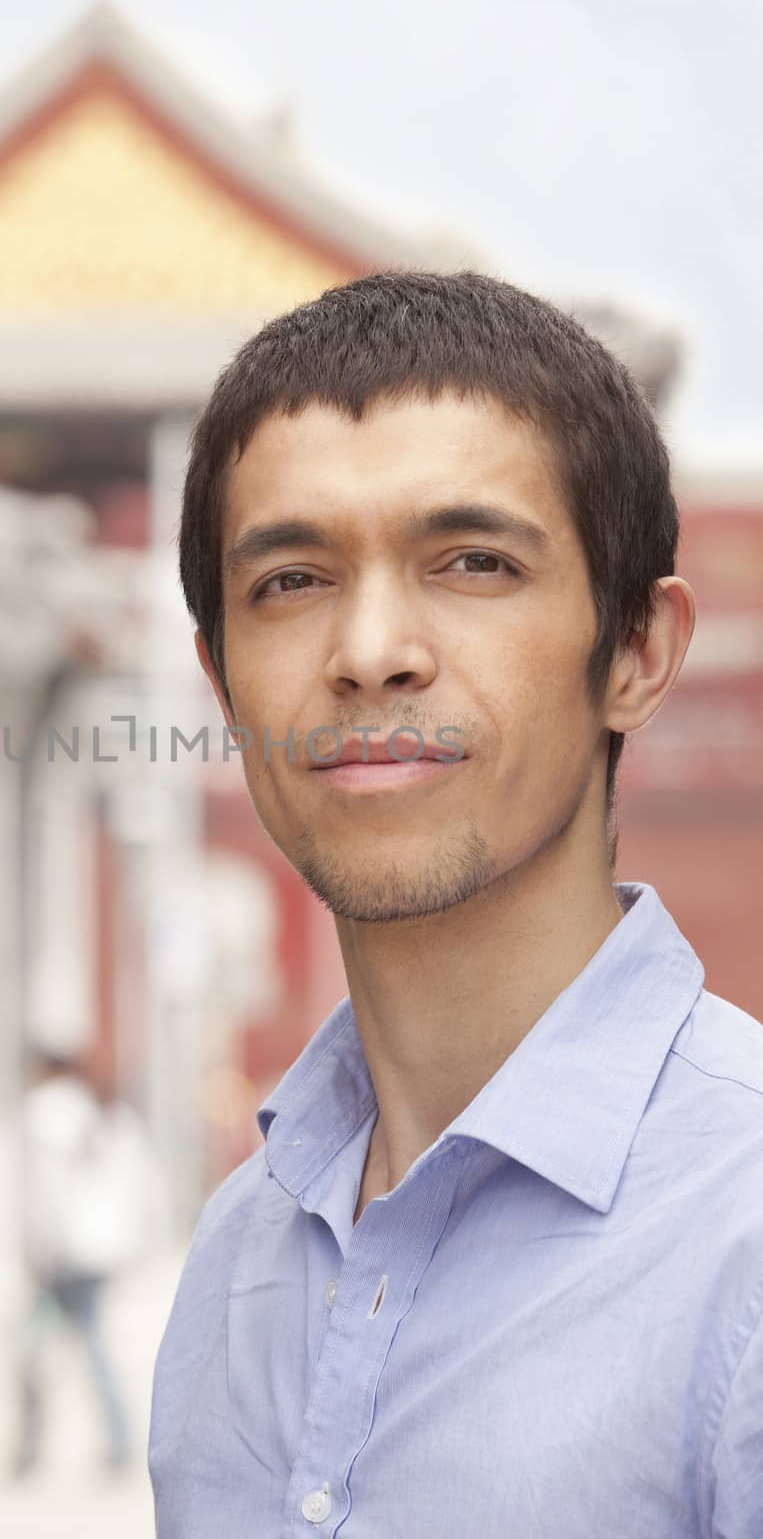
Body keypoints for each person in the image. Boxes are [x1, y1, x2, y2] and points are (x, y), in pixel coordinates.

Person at [148, 271, 763, 1536]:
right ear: (220, 681)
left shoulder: (738, 1237)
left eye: (472, 561)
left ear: (637, 654)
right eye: (290, 581)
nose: (370, 648)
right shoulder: (233, 1256)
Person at [14, 1048, 165, 1478]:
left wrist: (37, 1252)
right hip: (100, 1250)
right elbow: (142, 1185)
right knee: (93, 1343)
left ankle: (31, 1444)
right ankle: (117, 1438)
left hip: (60, 1252)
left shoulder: (41, 1114)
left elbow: (41, 1191)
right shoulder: (104, 1115)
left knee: (35, 1348)